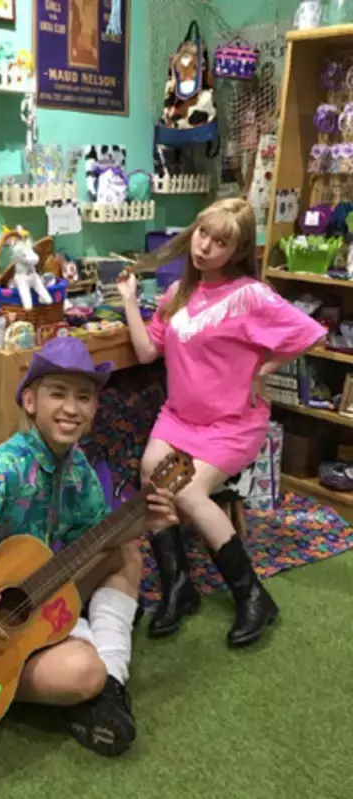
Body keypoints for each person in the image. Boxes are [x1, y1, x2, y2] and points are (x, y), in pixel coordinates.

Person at [0, 336, 179, 757]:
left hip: (37, 594)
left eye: (84, 397)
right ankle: (10, 681)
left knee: (126, 554)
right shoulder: (2, 469)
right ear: (30, 401)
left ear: (95, 409)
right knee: (83, 672)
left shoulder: (78, 469)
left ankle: (110, 685)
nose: (71, 408)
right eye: (57, 393)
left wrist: (142, 521)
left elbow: (96, 539)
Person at [118, 197, 326, 648]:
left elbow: (309, 333)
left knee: (187, 491)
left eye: (220, 242)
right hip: (179, 418)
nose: (204, 247)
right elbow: (147, 352)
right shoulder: (177, 294)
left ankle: (253, 596)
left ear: (237, 250)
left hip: (232, 424)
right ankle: (178, 585)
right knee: (152, 476)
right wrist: (130, 302)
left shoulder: (250, 295)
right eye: (202, 234)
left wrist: (262, 370)